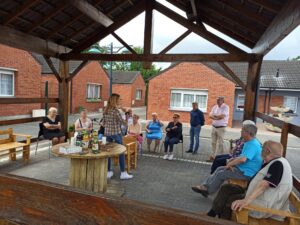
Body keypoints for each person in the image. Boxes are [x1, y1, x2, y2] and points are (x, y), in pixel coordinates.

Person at [207, 140, 293, 221]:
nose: (260, 152)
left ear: (268, 151)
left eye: (262, 149)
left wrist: (246, 201)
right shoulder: (276, 162)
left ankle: (223, 221)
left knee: (231, 201)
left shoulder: (277, 164)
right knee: (227, 188)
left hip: (263, 205)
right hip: (256, 194)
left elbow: (264, 185)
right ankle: (212, 215)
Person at [191, 124, 262, 197]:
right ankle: (205, 186)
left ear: (247, 133)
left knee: (221, 174)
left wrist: (229, 164)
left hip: (247, 173)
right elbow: (243, 157)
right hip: (243, 169)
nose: (241, 132)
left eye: (242, 130)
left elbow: (243, 160)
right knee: (219, 168)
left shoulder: (252, 145)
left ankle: (208, 190)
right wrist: (233, 159)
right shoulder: (250, 142)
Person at [102, 93, 133, 180]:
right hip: (116, 133)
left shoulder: (105, 110)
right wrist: (127, 117)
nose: (120, 101)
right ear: (115, 100)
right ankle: (123, 173)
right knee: (121, 152)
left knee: (108, 152)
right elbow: (124, 123)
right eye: (119, 99)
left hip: (107, 133)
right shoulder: (115, 111)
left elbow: (103, 123)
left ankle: (108, 172)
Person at [208, 96, 230, 162]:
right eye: (217, 100)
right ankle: (213, 156)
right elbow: (210, 115)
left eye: (219, 100)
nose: (217, 101)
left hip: (221, 128)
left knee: (221, 143)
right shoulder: (215, 107)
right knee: (213, 142)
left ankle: (221, 158)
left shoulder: (226, 107)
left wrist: (214, 116)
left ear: (222, 101)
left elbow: (222, 116)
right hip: (214, 127)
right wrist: (216, 117)